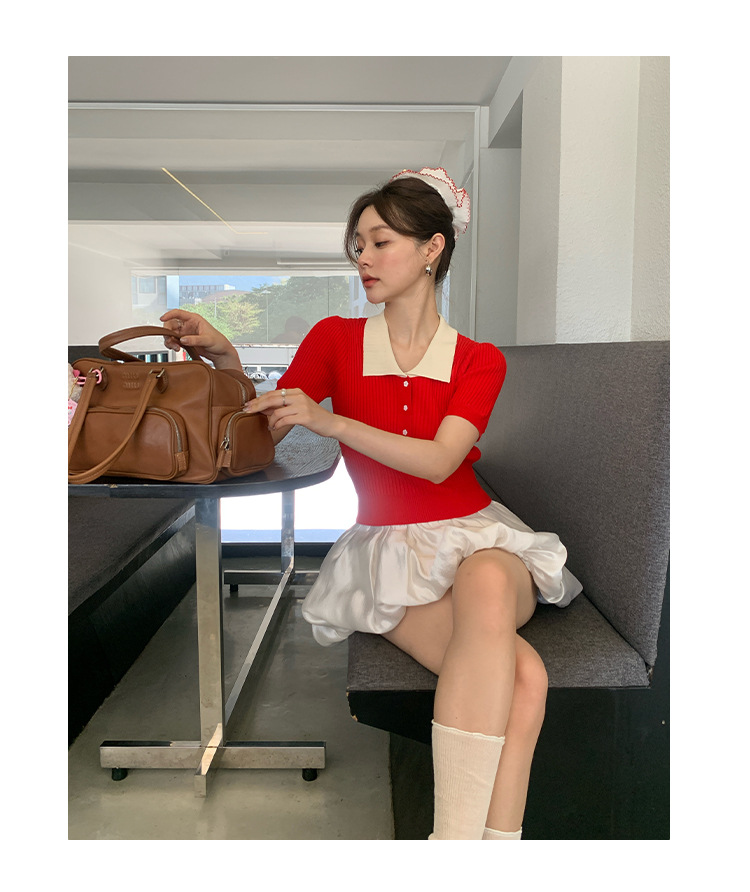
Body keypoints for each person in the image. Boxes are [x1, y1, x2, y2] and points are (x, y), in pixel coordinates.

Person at [161, 166, 582, 840]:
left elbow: (441, 462)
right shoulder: (334, 340)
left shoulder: (479, 360)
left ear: (432, 248)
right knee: (525, 678)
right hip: (388, 549)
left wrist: (334, 423)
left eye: (381, 242)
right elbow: (257, 430)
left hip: (477, 534)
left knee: (487, 582)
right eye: (358, 244)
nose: (364, 257)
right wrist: (226, 358)